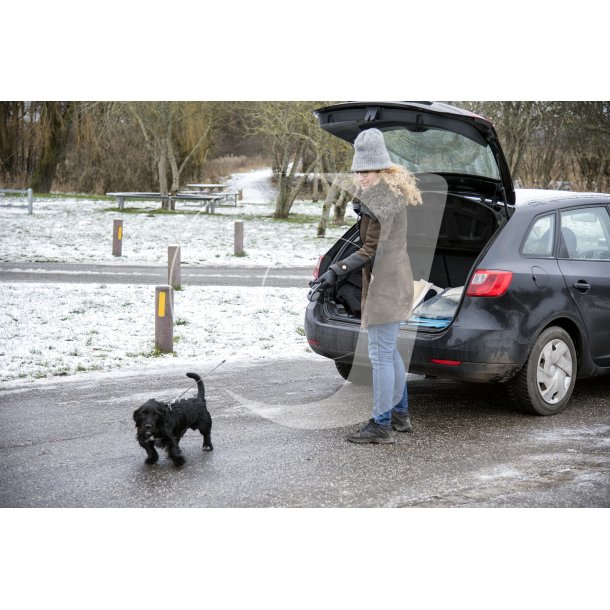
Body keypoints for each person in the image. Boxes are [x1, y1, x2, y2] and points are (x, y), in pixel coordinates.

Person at [315, 128, 421, 443]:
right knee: (389, 353)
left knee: (380, 355)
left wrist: (336, 271)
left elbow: (370, 249)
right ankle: (400, 415)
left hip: (386, 286)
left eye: (366, 170)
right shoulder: (384, 194)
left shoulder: (382, 200)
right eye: (357, 170)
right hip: (390, 281)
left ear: (381, 168)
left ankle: (381, 424)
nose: (360, 177)